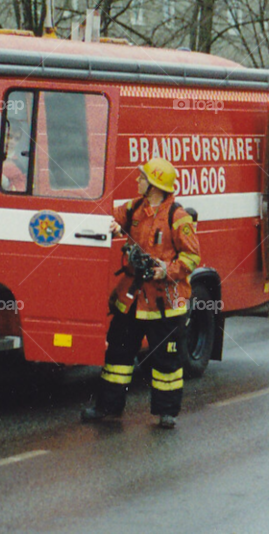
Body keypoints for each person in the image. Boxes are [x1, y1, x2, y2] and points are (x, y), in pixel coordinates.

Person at [81, 157, 201, 429]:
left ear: (155, 184)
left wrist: (166, 270)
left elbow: (193, 256)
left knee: (166, 360)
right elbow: (109, 215)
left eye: (142, 178)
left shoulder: (177, 217)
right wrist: (111, 225)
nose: (138, 181)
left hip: (165, 302)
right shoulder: (135, 208)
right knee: (118, 356)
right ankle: (106, 407)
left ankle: (167, 412)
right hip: (132, 298)